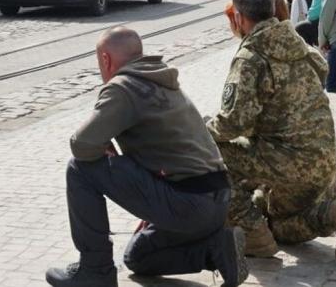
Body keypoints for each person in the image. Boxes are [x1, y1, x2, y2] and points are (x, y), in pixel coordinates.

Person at [46, 27, 247, 287]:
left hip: (188, 202)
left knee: (79, 169)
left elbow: (81, 145)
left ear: (105, 60)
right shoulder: (161, 79)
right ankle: (215, 251)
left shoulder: (123, 86)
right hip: (215, 201)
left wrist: (113, 155)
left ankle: (95, 271)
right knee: (138, 257)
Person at [208, 0, 336, 261]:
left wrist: (203, 130)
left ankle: (254, 235)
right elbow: (321, 73)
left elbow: (234, 124)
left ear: (240, 18)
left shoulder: (251, 56)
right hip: (324, 159)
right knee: (279, 224)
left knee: (212, 152)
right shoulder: (300, 45)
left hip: (287, 161)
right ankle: (335, 213)